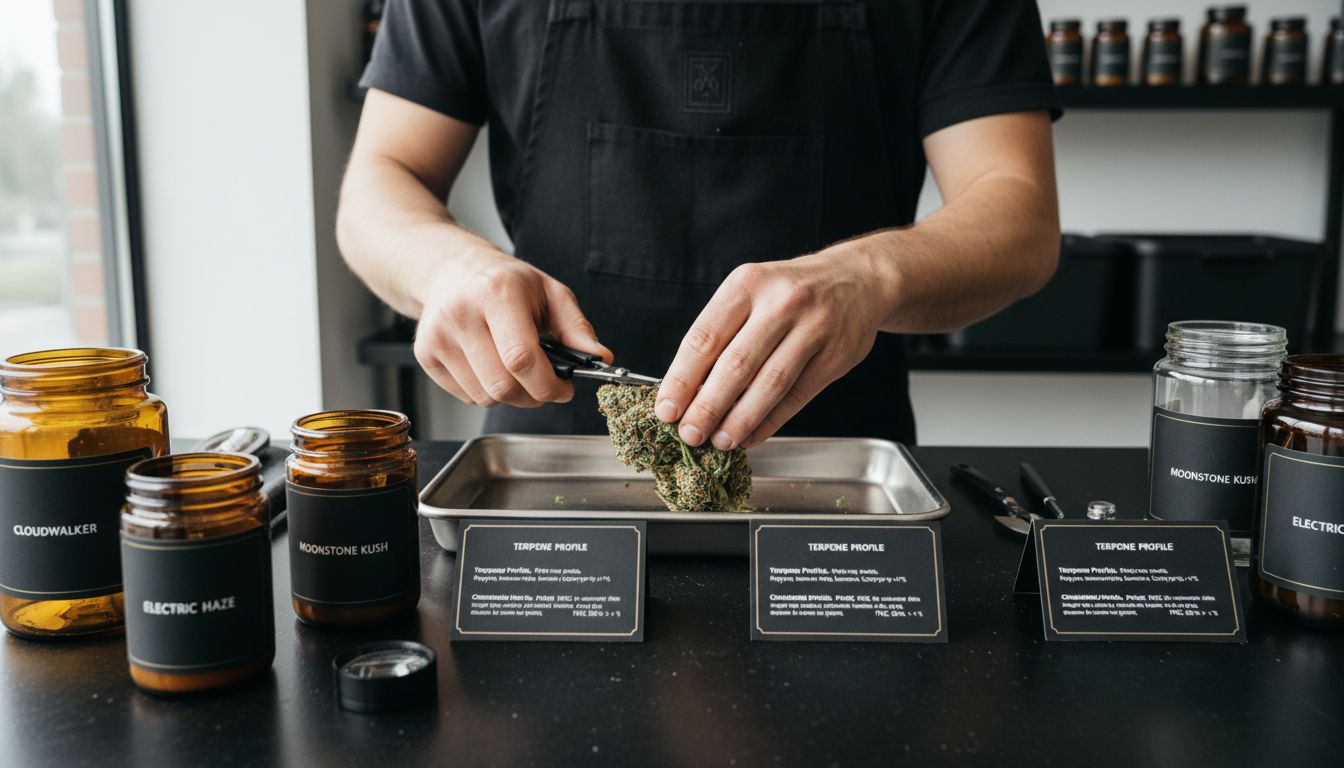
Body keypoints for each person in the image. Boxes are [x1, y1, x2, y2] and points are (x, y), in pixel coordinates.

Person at [337, 0, 1062, 448]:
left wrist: (864, 275)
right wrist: (450, 269)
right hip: (555, 468)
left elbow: (1018, 209)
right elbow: (381, 182)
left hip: (826, 479)